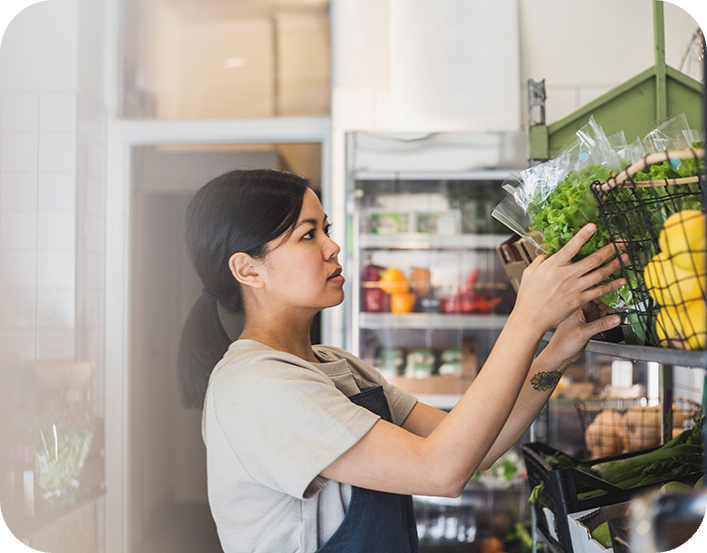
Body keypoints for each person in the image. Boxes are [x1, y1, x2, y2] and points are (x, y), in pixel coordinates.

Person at [177, 168, 627, 553]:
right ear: (248, 269)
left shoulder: (335, 365)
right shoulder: (257, 385)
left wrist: (557, 350)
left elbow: (478, 449)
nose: (332, 247)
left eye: (326, 229)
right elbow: (440, 471)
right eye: (308, 234)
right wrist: (526, 319)